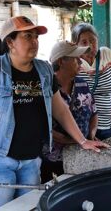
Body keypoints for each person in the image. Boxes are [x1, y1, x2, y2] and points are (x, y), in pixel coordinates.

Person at [0, 16, 109, 211]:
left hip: (30, 159)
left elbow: (59, 108)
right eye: (27, 36)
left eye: (36, 36)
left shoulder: (43, 69)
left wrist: (82, 140)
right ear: (10, 42)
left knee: (29, 208)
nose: (34, 41)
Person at [41, 41, 97, 183]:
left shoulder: (82, 83)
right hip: (52, 159)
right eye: (75, 58)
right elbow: (43, 127)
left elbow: (94, 113)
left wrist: (90, 136)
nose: (80, 61)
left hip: (80, 152)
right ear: (61, 61)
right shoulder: (45, 88)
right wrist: (72, 140)